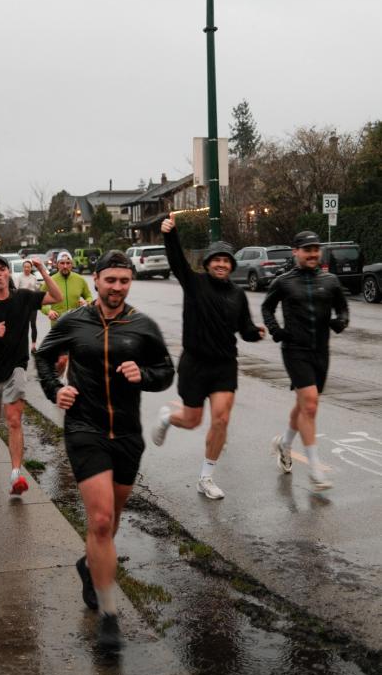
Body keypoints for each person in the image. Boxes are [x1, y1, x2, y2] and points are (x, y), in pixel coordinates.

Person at [35, 251, 174, 651]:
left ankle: (89, 565)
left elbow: (166, 371)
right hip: (85, 428)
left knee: (109, 525)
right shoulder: (72, 322)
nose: (116, 287)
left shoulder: (142, 326)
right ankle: (110, 614)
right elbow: (43, 358)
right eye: (110, 279)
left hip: (127, 435)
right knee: (99, 521)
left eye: (123, 281)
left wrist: (143, 375)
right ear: (95, 280)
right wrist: (55, 389)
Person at [150, 214, 265, 500]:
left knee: (221, 420)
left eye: (226, 261)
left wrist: (256, 332)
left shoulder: (238, 295)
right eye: (217, 260)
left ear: (231, 265)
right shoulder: (194, 283)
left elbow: (245, 329)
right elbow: (176, 261)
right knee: (192, 421)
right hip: (195, 363)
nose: (222, 264)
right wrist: (169, 234)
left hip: (224, 364)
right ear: (208, 263)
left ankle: (206, 477)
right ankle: (167, 418)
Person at [0, 255, 62, 495]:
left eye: (2, 270)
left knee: (15, 419)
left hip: (16, 366)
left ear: (8, 274)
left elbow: (57, 298)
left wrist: (43, 271)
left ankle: (17, 473)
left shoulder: (23, 298)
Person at [262, 230, 349, 491]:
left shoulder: (330, 280)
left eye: (315, 249)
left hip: (321, 351)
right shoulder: (284, 281)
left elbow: (343, 307)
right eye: (306, 249)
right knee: (310, 405)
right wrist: (276, 331)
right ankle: (315, 470)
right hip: (294, 349)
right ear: (295, 252)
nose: (312, 254)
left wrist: (341, 321)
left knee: (305, 404)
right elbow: (267, 307)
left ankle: (284, 444)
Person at [41, 250, 93, 373]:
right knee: (62, 361)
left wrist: (86, 302)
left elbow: (89, 296)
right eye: (62, 263)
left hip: (77, 326)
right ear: (57, 264)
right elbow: (39, 301)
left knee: (78, 361)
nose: (65, 266)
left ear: (72, 264)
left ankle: (75, 385)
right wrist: (48, 311)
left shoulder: (80, 280)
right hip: (58, 327)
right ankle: (58, 385)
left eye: (68, 263)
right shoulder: (50, 280)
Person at [14, 259, 41, 353]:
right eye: (25, 267)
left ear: (31, 268)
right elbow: (16, 291)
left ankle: (33, 346)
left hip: (33, 304)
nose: (26, 269)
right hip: (23, 305)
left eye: (28, 267)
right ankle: (22, 346)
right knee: (23, 326)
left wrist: (38, 288)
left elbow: (37, 289)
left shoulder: (34, 277)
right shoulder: (19, 278)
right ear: (23, 268)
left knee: (33, 324)